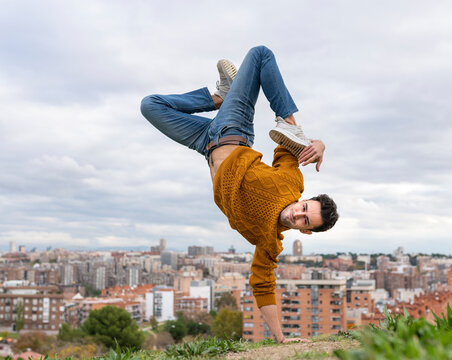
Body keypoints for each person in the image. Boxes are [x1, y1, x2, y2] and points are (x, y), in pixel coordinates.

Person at [140, 46, 338, 342]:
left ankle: (218, 96)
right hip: (234, 129)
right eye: (305, 207)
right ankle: (229, 100)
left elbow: (263, 285)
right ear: (304, 199)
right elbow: (288, 145)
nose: (298, 214)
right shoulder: (291, 181)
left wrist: (280, 338)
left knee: (150, 106)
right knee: (260, 54)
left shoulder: (267, 240)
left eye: (304, 221)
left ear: (306, 231)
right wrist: (317, 143)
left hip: (204, 143)